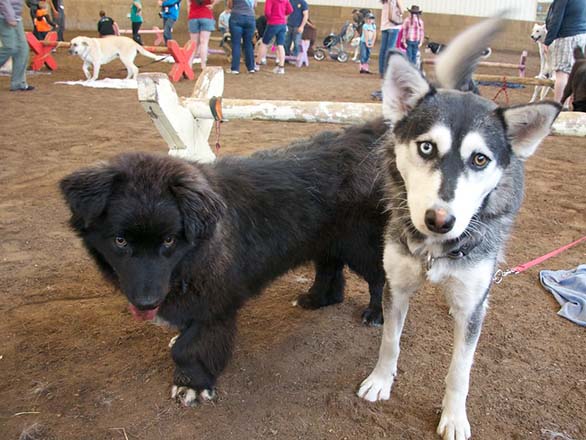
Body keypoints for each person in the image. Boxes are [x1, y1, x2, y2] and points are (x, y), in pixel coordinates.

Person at [544, 0, 586, 105]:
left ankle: (558, 107)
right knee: (571, 73)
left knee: (561, 73)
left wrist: (548, 41)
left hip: (567, 36)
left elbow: (556, 17)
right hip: (581, 35)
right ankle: (565, 107)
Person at [0, 0, 34, 91]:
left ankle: (18, 84)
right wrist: (10, 17)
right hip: (4, 17)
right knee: (10, 47)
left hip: (16, 18)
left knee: (23, 49)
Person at [255, 0, 293, 74]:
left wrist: (270, 19)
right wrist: (282, 15)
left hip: (273, 23)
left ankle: (257, 64)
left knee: (264, 43)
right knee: (280, 45)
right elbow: (290, 10)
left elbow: (267, 12)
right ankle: (281, 67)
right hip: (282, 24)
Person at [188, 0, 221, 69]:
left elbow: (188, 5)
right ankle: (203, 65)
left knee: (193, 43)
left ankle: (189, 64)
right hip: (206, 15)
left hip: (193, 16)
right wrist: (213, 5)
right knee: (204, 42)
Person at [226, 0, 256, 74]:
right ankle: (251, 68)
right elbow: (254, 5)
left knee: (236, 43)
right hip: (250, 17)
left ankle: (235, 68)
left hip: (236, 16)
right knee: (248, 43)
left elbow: (229, 5)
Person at [379, 0, 403, 77]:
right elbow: (402, 10)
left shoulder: (384, 1)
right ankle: (388, 71)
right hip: (393, 25)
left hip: (384, 25)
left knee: (383, 49)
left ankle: (382, 71)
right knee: (390, 49)